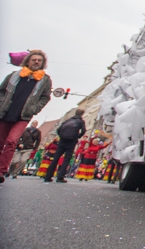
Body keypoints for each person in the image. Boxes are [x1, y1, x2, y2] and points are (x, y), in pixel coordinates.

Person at [0, 50, 52, 183]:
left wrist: (34, 109)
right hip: (5, 112)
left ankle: (1, 171)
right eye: (34, 59)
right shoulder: (14, 75)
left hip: (23, 116)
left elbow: (45, 97)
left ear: (42, 63)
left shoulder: (45, 80)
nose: (36, 62)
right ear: (28, 61)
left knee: (11, 141)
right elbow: (2, 90)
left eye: (39, 60)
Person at [44, 109, 86, 183]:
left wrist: (62, 136)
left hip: (62, 141)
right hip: (71, 142)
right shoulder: (81, 121)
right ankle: (60, 177)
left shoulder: (68, 120)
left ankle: (48, 176)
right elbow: (83, 131)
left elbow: (58, 129)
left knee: (55, 158)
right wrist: (77, 136)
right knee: (66, 159)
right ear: (82, 114)